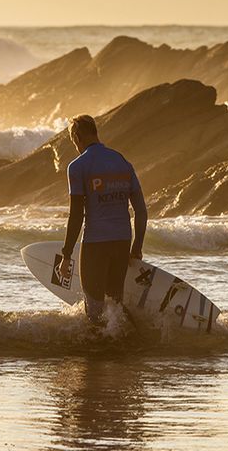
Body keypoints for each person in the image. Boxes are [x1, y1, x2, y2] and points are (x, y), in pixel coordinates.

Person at [57, 114, 147, 324]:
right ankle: (125, 345)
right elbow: (141, 211)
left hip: (96, 244)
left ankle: (98, 352)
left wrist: (67, 254)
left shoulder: (78, 166)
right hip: (122, 241)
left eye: (73, 142)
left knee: (94, 309)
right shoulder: (123, 162)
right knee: (115, 303)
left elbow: (77, 214)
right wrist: (137, 247)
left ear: (77, 137)